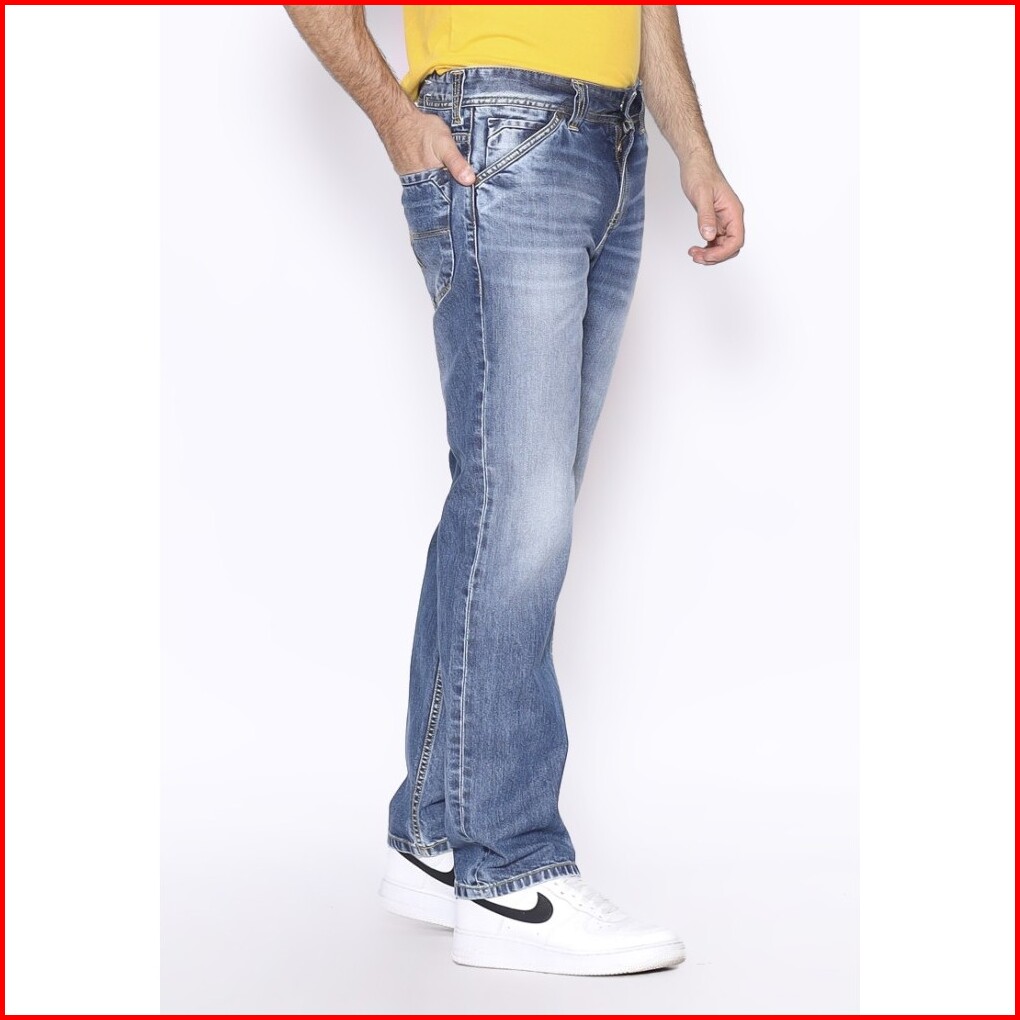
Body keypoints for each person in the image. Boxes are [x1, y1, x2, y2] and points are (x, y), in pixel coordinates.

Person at [285, 4, 744, 976]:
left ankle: (436, 834)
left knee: (506, 505)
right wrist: (395, 118)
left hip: (614, 142)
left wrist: (694, 152)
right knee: (520, 513)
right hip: (500, 131)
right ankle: (509, 870)